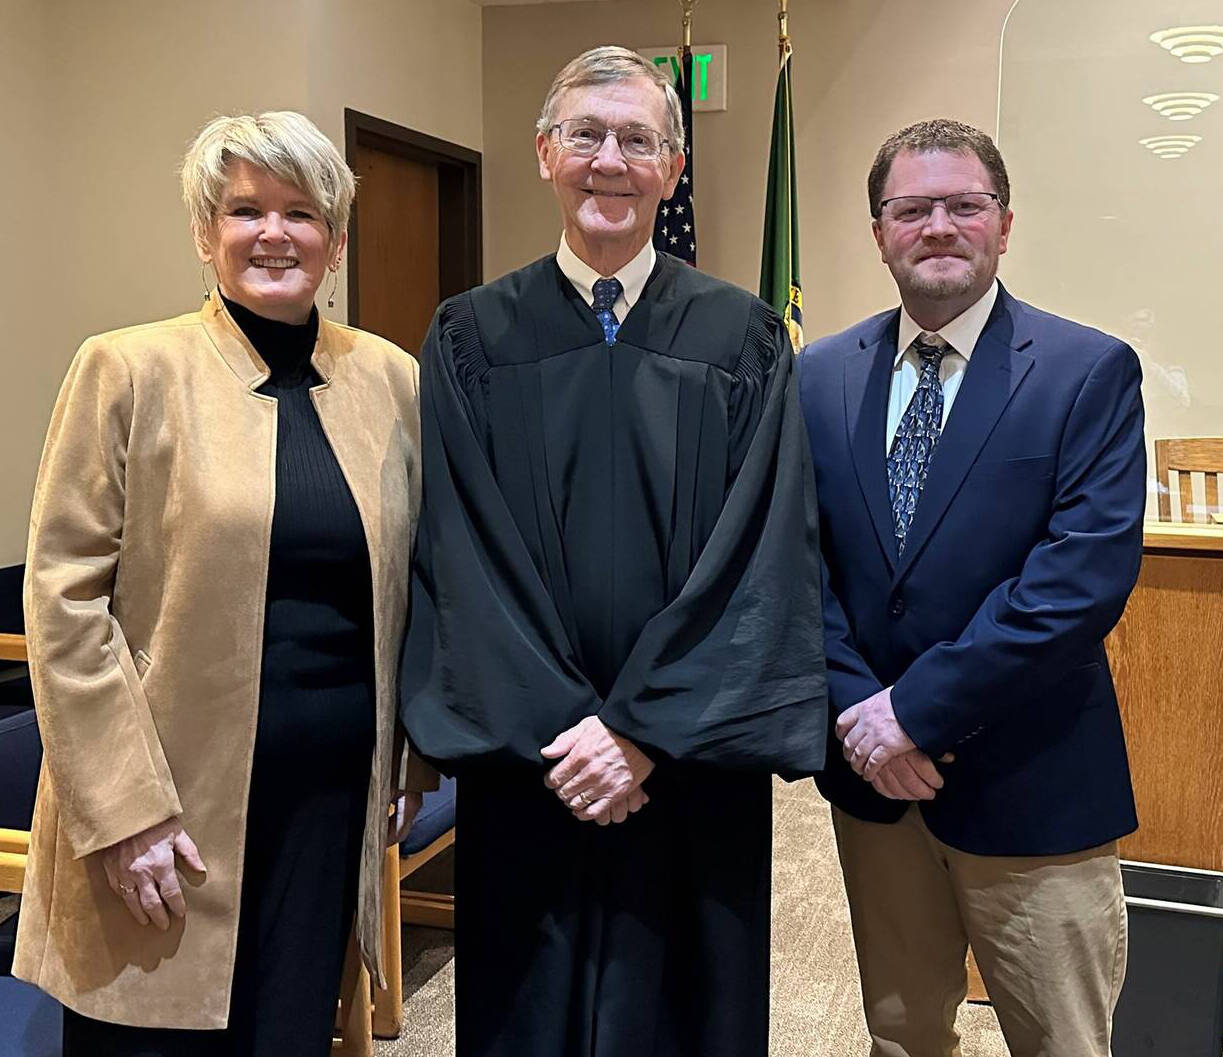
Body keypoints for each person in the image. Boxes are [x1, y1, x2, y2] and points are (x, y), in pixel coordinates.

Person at [400, 45, 828, 1057]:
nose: (609, 161)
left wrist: (640, 728)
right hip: (534, 763)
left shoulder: (743, 338)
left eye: (637, 141)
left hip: (688, 762)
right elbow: (458, 548)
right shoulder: (468, 336)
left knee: (685, 1008)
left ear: (672, 169)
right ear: (544, 154)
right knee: (525, 1011)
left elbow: (761, 552)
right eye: (585, 136)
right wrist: (570, 730)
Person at [15, 110, 435, 1056]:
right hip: (167, 805)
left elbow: (419, 590)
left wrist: (412, 758)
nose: (273, 233)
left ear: (335, 241)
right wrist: (123, 811)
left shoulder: (390, 379)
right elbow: (63, 601)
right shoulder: (126, 368)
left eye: (301, 212)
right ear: (205, 233)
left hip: (328, 799)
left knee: (287, 1032)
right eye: (246, 210)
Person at [798, 118, 1145, 1056]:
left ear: (1004, 223)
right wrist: (862, 713)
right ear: (879, 232)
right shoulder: (818, 375)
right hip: (874, 782)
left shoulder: (1085, 370)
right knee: (901, 1031)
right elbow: (795, 564)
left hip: (1031, 779)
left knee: (1060, 1039)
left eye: (964, 204)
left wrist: (913, 712)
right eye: (912, 209)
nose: (939, 226)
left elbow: (1077, 582)